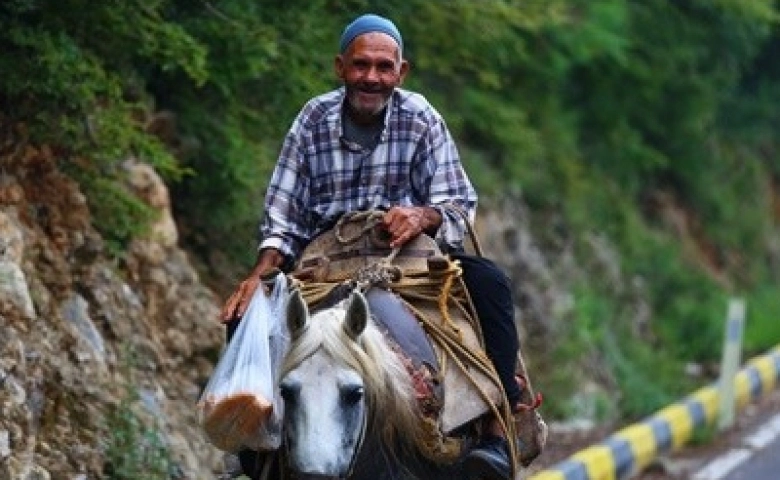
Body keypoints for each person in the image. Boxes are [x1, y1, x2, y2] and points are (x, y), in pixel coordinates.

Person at [220, 13, 522, 480]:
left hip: (409, 260)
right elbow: (283, 214)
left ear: (401, 73)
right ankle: (253, 444)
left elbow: (458, 202)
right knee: (246, 311)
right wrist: (261, 272)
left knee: (491, 284)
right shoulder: (311, 120)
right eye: (362, 65)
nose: (372, 78)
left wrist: (422, 214)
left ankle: (495, 432)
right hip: (325, 260)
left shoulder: (420, 117)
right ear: (341, 67)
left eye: (385, 68)